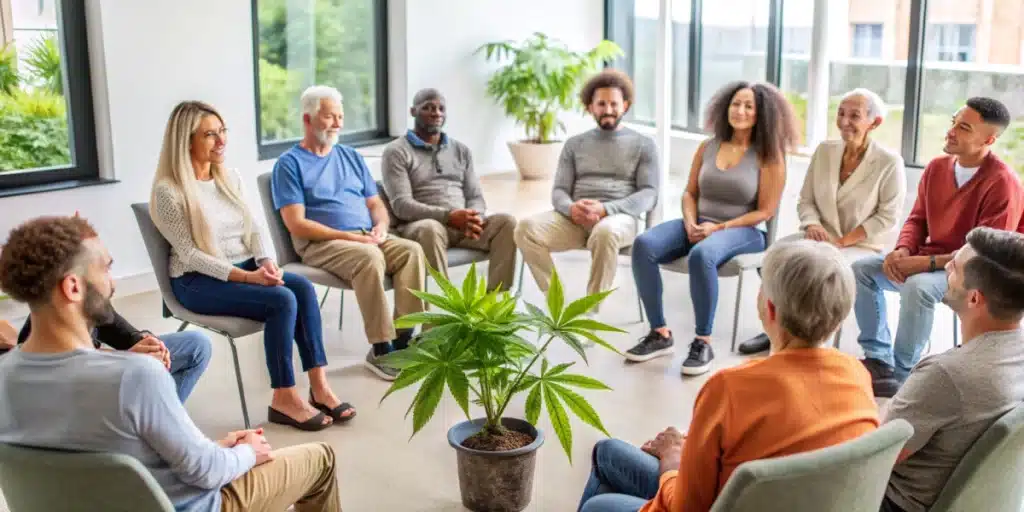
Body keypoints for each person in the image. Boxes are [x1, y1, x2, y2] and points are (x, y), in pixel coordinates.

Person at [0, 215, 341, 512]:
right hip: (185, 505)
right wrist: (248, 452)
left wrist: (209, 449)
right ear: (73, 287)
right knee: (321, 458)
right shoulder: (135, 376)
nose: (112, 283)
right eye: (105, 268)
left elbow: (94, 457)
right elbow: (206, 473)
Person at [577, 239, 879, 512]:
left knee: (599, 505)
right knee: (609, 452)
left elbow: (687, 508)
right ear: (839, 318)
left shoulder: (729, 388)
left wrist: (672, 460)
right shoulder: (857, 376)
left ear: (769, 310)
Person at [151, 101, 351, 431]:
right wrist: (249, 278)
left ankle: (319, 386)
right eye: (210, 135)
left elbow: (254, 227)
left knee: (300, 286)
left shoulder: (230, 177)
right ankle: (284, 397)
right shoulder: (168, 192)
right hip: (197, 281)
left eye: (223, 132)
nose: (221, 141)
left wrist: (267, 263)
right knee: (282, 299)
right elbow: (190, 255)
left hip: (243, 267)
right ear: (186, 141)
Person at [853, 97, 1022, 398]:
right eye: (954, 122)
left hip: (974, 273)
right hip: (933, 260)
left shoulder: (1002, 183)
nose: (952, 131)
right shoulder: (936, 167)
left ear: (989, 139)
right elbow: (917, 218)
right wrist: (903, 250)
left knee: (918, 287)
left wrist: (923, 264)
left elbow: (986, 255)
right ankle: (879, 359)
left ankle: (904, 375)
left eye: (964, 127)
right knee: (863, 270)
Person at [626, 81, 798, 376]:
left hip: (744, 232)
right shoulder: (708, 146)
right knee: (643, 245)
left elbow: (765, 211)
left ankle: (702, 342)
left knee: (701, 255)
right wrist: (691, 221)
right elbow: (689, 192)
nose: (740, 111)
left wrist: (718, 229)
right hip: (699, 223)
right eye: (735, 104)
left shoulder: (769, 156)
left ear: (761, 114)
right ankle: (660, 334)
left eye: (748, 106)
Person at [272, 85, 425, 381]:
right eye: (330, 117)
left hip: (367, 234)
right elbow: (297, 224)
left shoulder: (350, 156)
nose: (339, 124)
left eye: (341, 116)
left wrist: (381, 226)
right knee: (369, 257)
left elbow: (374, 203)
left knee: (411, 251)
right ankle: (381, 349)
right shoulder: (289, 165)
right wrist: (354, 239)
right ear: (308, 119)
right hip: (321, 243)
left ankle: (403, 339)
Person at [739, 88, 907, 355]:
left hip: (860, 245)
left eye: (854, 116)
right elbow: (805, 199)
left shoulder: (888, 162)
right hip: (818, 236)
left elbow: (887, 217)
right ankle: (776, 326)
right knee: (776, 257)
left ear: (874, 122)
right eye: (841, 113)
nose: (844, 122)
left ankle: (811, 341)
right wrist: (812, 224)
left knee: (817, 271)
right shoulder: (825, 150)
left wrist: (841, 242)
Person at [880, 227, 1024, 512]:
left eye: (955, 268)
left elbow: (876, 455)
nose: (945, 266)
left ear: (974, 299)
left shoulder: (946, 375)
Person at [514, 69, 658, 312]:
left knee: (605, 232)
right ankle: (557, 302)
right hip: (574, 219)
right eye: (601, 103)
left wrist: (605, 209)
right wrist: (571, 207)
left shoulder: (643, 145)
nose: (608, 109)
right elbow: (559, 190)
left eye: (614, 103)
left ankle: (589, 314)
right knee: (525, 228)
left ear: (626, 105)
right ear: (590, 107)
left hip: (617, 219)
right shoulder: (574, 144)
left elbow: (648, 194)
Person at [381, 88, 517, 290]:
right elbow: (402, 205)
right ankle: (442, 313)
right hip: (421, 225)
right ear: (413, 112)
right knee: (430, 228)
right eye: (428, 107)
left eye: (440, 108)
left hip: (463, 226)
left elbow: (475, 196)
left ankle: (496, 305)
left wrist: (474, 217)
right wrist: (449, 216)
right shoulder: (396, 151)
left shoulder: (460, 150)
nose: (436, 113)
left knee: (506, 223)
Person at [14, 311, 212, 403]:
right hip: (85, 400)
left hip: (106, 375)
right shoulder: (46, 328)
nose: (113, 280)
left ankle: (163, 429)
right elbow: (73, 369)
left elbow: (115, 326)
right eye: (104, 267)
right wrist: (125, 359)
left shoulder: (88, 297)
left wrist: (146, 342)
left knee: (197, 345)